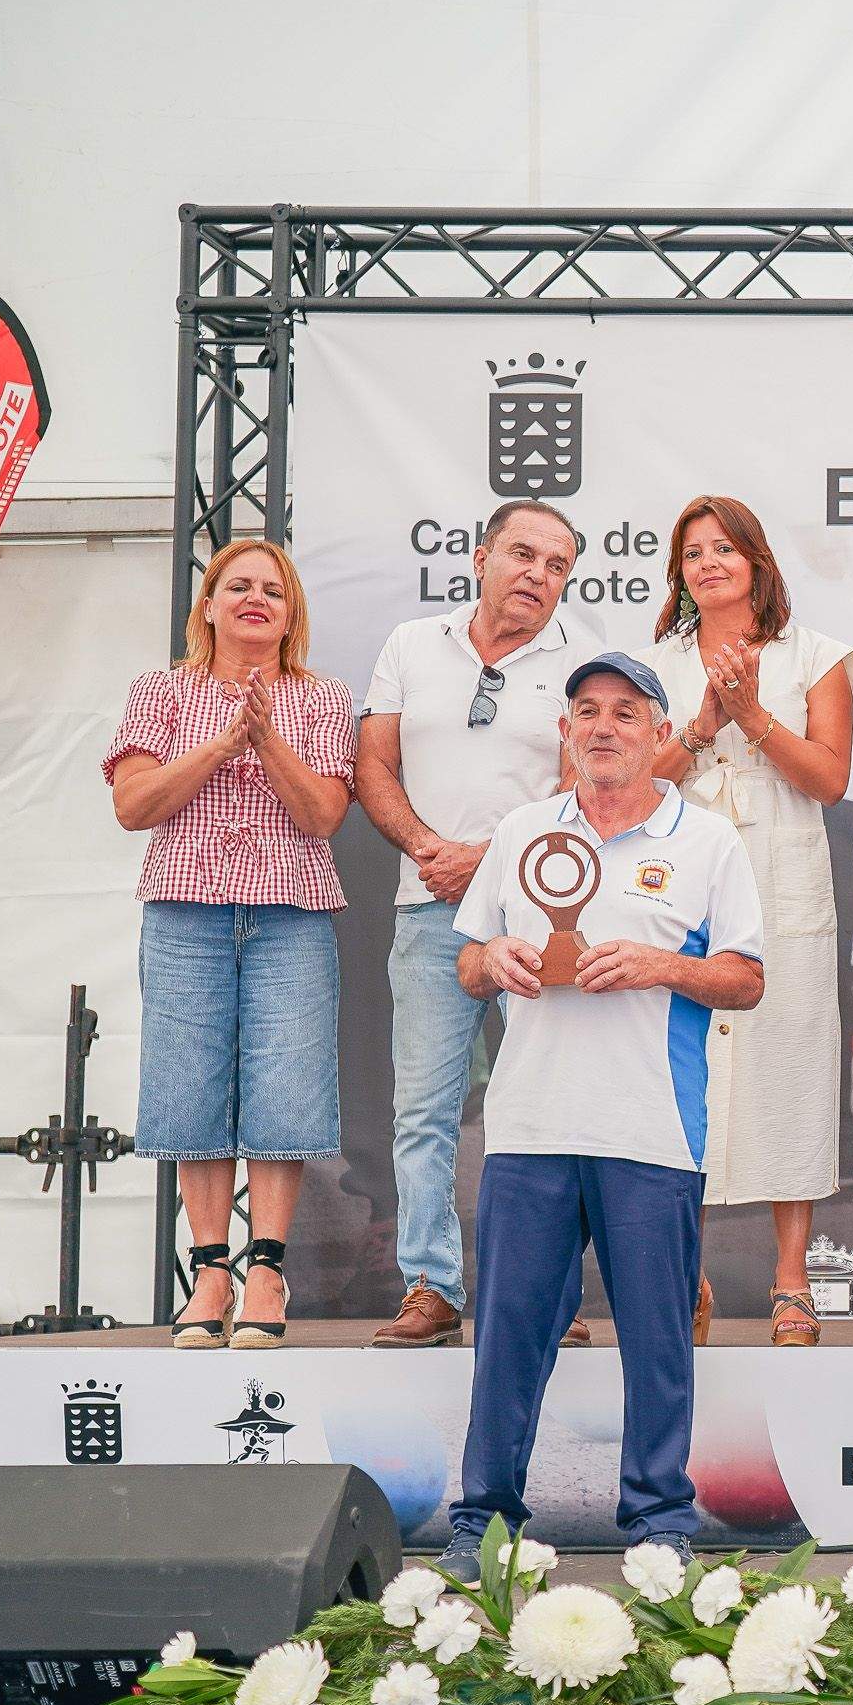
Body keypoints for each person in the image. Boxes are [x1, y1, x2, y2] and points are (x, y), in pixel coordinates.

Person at [442, 652, 765, 1576]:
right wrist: (495, 957)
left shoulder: (706, 842)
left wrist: (661, 965)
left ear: (662, 736)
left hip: (650, 1133)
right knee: (507, 1341)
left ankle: (660, 1520)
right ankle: (483, 1522)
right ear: (564, 731)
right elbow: (466, 961)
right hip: (530, 1131)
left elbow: (744, 979)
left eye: (628, 713)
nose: (604, 727)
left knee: (659, 1343)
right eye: (587, 710)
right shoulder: (520, 831)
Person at [356, 502, 600, 1347]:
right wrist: (431, 847)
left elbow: (584, 792)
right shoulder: (410, 645)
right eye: (524, 555)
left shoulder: (583, 660)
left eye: (557, 565)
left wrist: (487, 858)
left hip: (538, 916)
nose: (539, 575)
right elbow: (371, 764)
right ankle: (431, 1288)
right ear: (480, 555)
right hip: (428, 909)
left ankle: (541, 1298)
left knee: (540, 1111)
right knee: (422, 1110)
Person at [103, 540, 356, 1349]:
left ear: (291, 616)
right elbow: (134, 804)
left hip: (291, 914)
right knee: (190, 1087)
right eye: (236, 587)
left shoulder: (322, 699)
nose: (254, 599)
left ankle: (267, 1271)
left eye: (272, 592)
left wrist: (267, 735)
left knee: (286, 1089)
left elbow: (321, 815)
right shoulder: (161, 690)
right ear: (207, 605)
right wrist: (221, 741)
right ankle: (210, 1269)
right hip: (185, 914)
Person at [647, 497, 853, 1344]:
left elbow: (830, 779)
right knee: (679, 1070)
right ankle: (683, 1278)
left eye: (723, 548)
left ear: (758, 560)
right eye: (692, 554)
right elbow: (635, 775)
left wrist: (755, 716)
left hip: (783, 870)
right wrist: (702, 724)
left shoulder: (817, 655)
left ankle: (792, 1281)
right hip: (678, 869)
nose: (708, 564)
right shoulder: (654, 662)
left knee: (789, 1065)